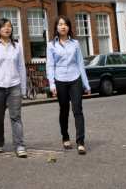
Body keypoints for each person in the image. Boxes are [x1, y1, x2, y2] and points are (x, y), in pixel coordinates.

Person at [46, 15, 91, 155]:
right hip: (60, 80)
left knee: (77, 109)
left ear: (69, 27)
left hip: (75, 78)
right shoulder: (51, 45)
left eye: (65, 24)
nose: (63, 26)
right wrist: (52, 84)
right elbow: (50, 65)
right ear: (56, 27)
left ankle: (80, 142)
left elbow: (80, 64)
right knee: (64, 109)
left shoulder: (75, 44)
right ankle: (65, 137)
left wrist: (86, 84)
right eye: (60, 24)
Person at [0, 19, 27, 157]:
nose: (7, 29)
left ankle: (19, 145)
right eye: (3, 26)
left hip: (14, 85)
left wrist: (23, 88)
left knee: (16, 117)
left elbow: (21, 67)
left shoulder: (17, 46)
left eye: (9, 26)